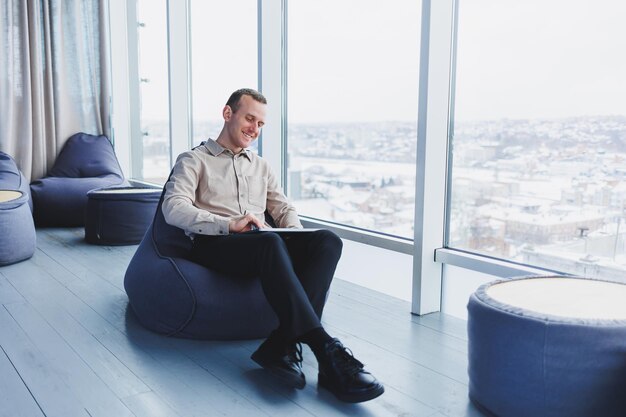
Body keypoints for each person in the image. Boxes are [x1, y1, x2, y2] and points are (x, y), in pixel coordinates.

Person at [162, 88, 384, 403]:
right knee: (267, 241)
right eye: (249, 118)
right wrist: (229, 224)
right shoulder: (195, 159)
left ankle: (281, 343)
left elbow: (283, 209)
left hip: (261, 243)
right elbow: (173, 208)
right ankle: (326, 351)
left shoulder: (261, 166)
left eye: (261, 123)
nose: (254, 128)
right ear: (228, 114)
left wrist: (296, 237)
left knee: (327, 241)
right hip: (215, 244)